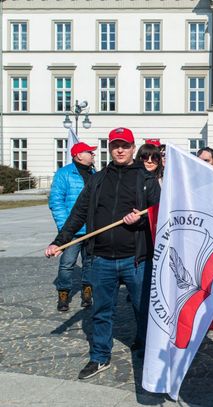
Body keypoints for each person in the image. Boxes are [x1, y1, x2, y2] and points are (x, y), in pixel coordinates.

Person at [45, 127, 161, 380]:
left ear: (133, 148)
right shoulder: (97, 179)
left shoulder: (145, 179)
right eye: (115, 145)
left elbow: (159, 215)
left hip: (136, 260)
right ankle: (99, 356)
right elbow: (78, 213)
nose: (120, 150)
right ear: (110, 148)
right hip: (100, 259)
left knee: (143, 310)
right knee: (101, 311)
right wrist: (59, 241)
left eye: (125, 146)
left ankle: (146, 350)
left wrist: (140, 220)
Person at [48, 142, 96, 311]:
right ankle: (63, 293)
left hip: (92, 229)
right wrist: (65, 228)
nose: (93, 154)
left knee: (89, 263)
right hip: (72, 230)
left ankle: (87, 292)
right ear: (79, 155)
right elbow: (56, 201)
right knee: (67, 263)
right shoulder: (64, 174)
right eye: (89, 152)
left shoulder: (94, 173)